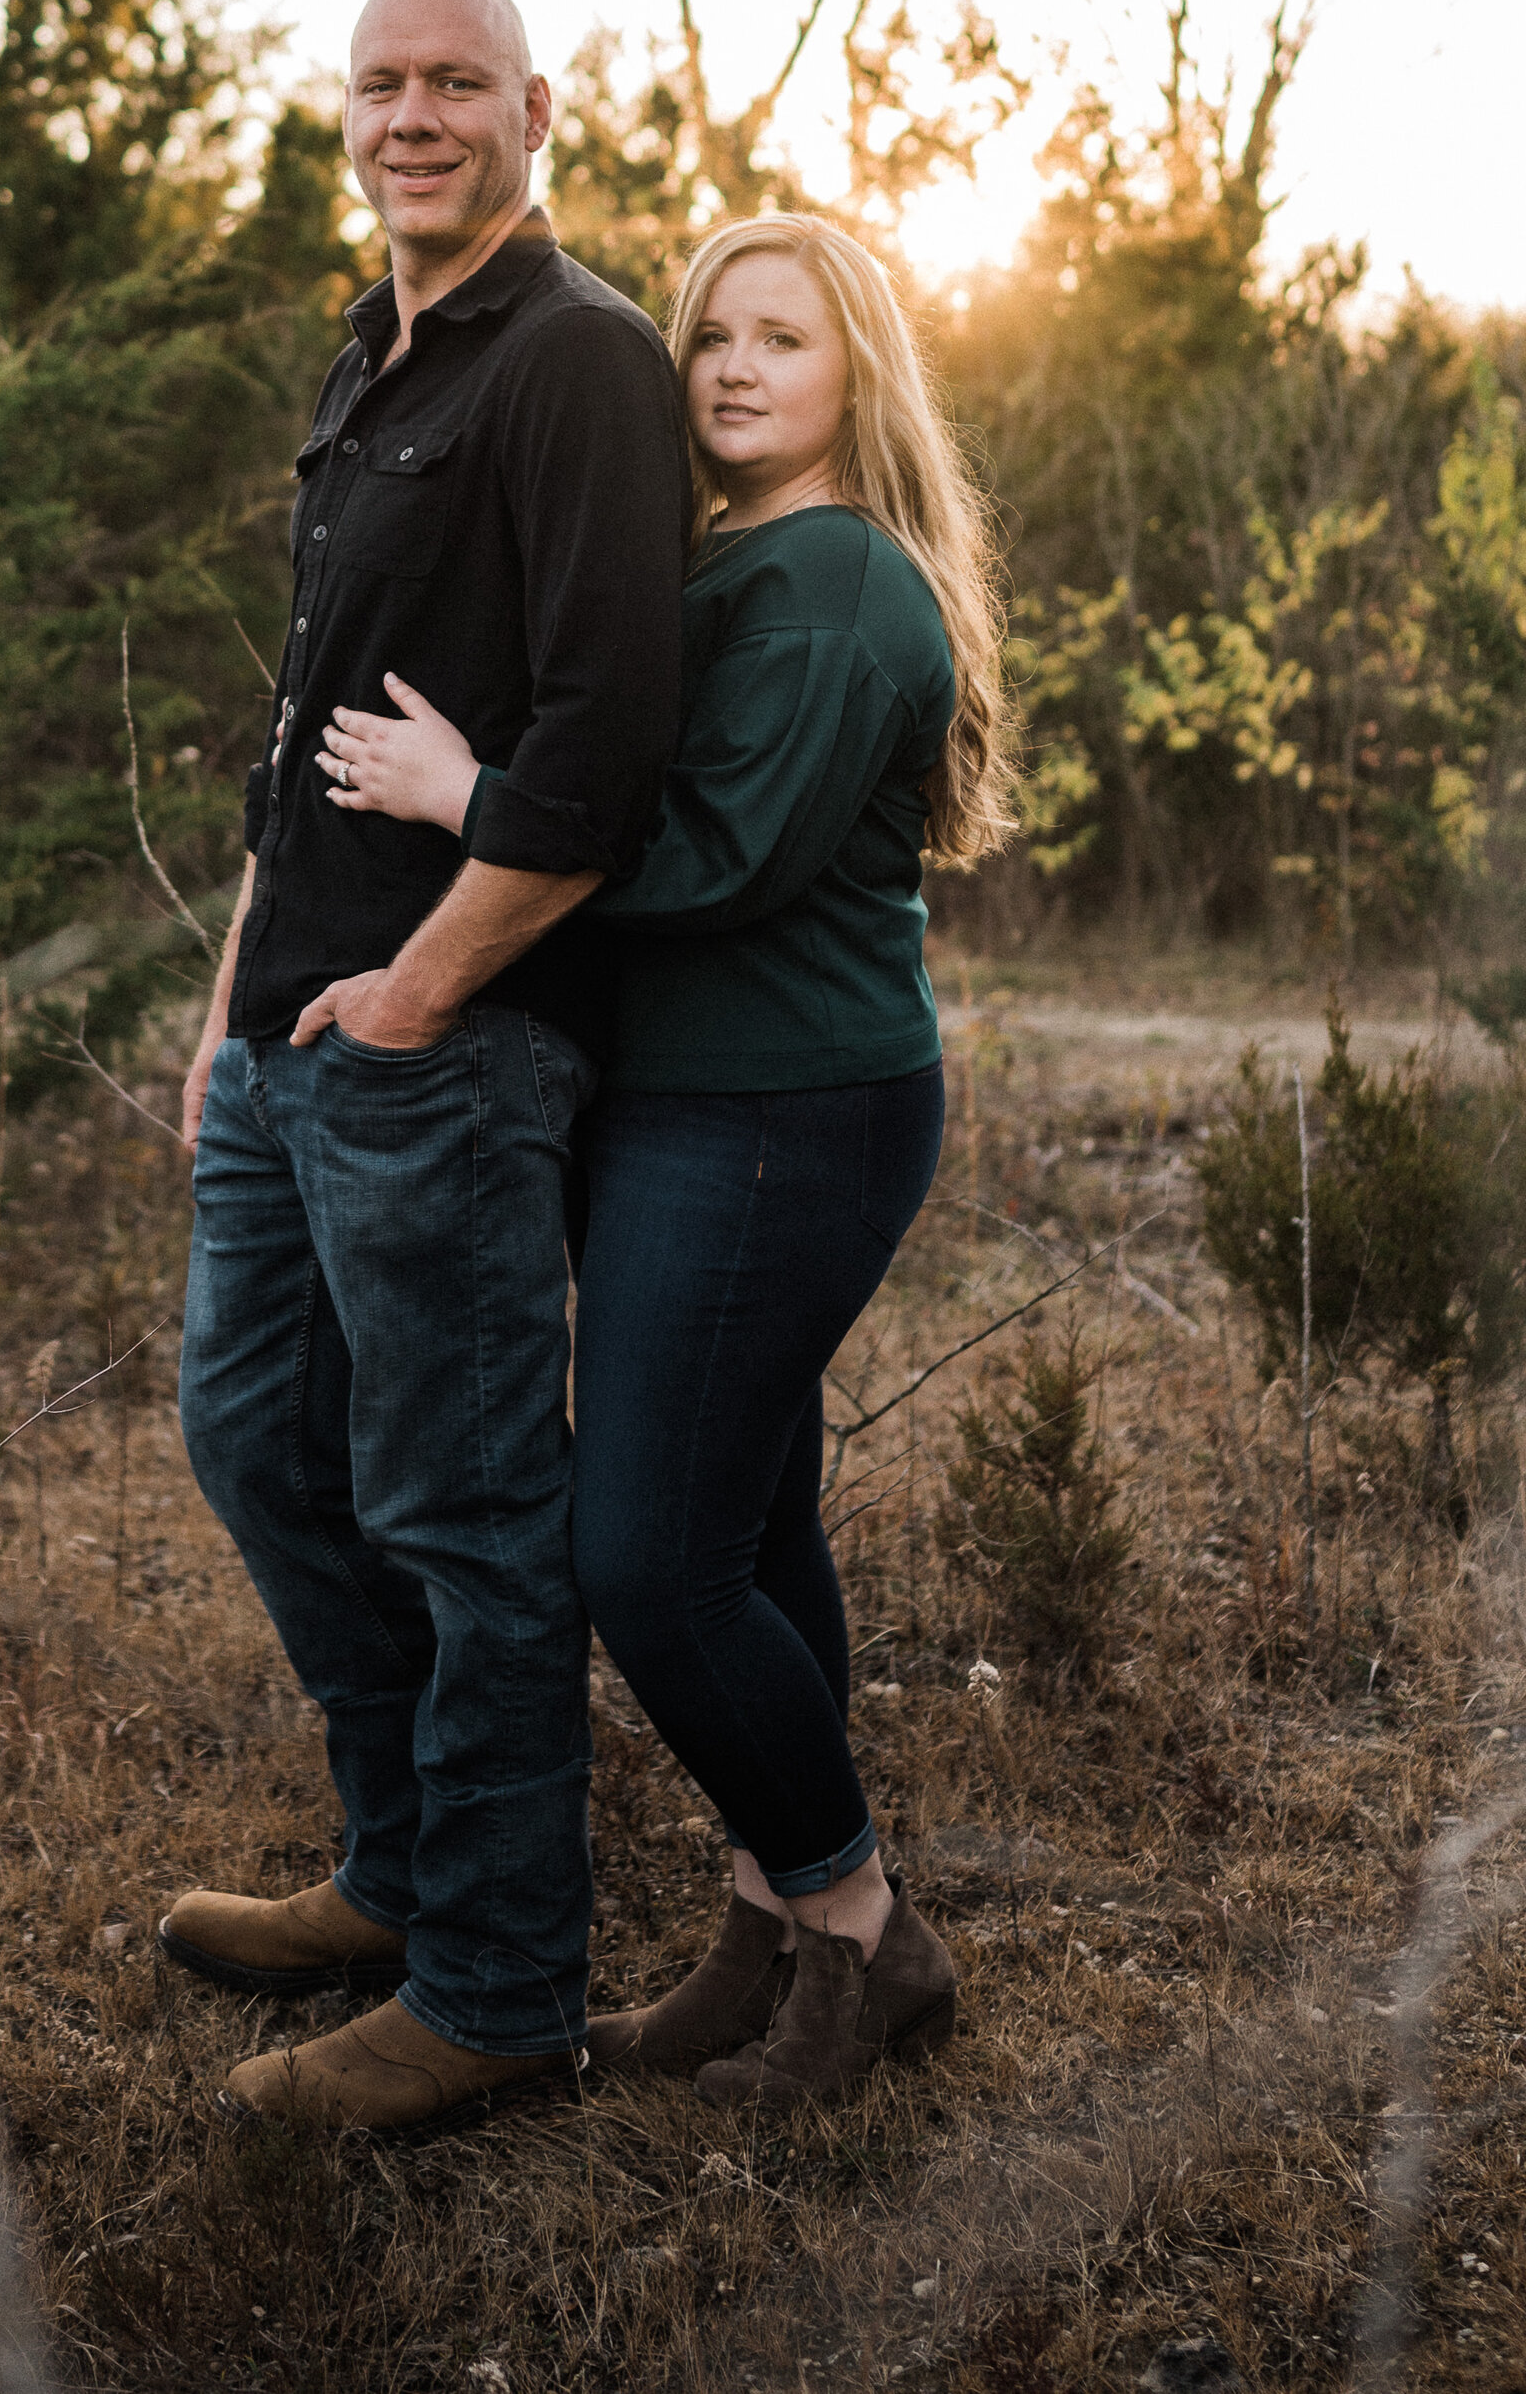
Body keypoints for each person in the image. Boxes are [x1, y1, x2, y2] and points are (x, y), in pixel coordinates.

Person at [316, 210, 1014, 2112]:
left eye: (779, 338)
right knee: (753, 1529)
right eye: (709, 332)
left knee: (644, 1554)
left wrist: (478, 801)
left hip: (789, 1112)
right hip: (689, 1110)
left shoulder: (846, 584)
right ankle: (764, 1921)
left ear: (858, 370)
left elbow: (705, 860)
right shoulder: (734, 563)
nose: (727, 365)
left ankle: (863, 1927)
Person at [162, 0, 691, 2138]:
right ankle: (391, 1875)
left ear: (533, 111)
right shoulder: (366, 358)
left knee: (464, 1515)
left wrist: (417, 994)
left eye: (452, 80)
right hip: (286, 1051)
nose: (410, 113)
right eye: (379, 81)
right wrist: (225, 1021)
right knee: (256, 1445)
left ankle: (492, 1984)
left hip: (437, 1056)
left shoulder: (579, 362)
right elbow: (297, 752)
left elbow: (602, 748)